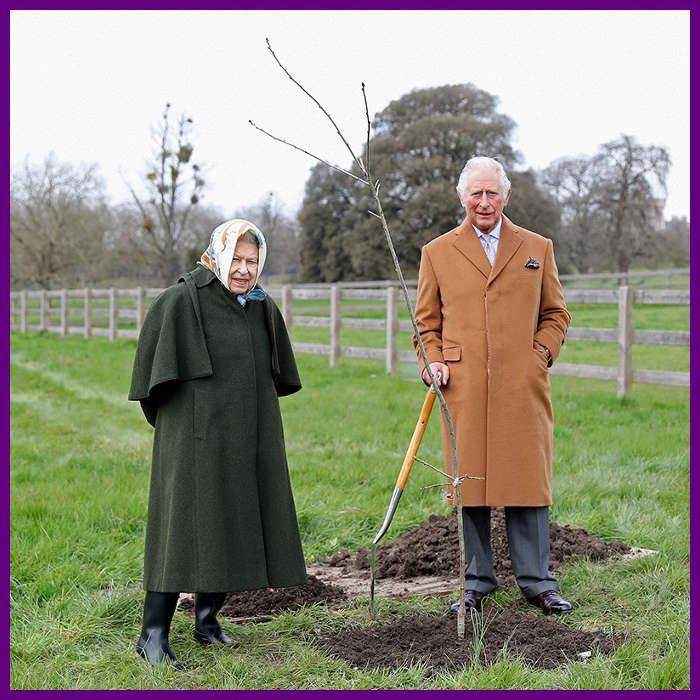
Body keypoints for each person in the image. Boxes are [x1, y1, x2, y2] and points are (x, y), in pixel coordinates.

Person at [128, 219, 306, 669]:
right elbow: (152, 384)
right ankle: (152, 635)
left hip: (248, 435)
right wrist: (182, 429)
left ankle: (207, 621)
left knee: (233, 518)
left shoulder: (261, 307)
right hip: (193, 438)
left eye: (253, 261)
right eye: (238, 259)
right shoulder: (180, 301)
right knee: (181, 527)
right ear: (218, 254)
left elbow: (277, 374)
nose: (244, 270)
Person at [413, 157, 572, 615]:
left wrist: (538, 356)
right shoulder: (437, 252)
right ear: (462, 197)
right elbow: (426, 324)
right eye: (476, 194)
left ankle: (537, 582)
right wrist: (435, 363)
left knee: (527, 479)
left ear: (507, 196)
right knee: (471, 482)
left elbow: (556, 314)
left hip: (522, 385)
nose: (484, 202)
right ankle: (477, 581)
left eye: (492, 193)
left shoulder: (536, 248)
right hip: (462, 387)